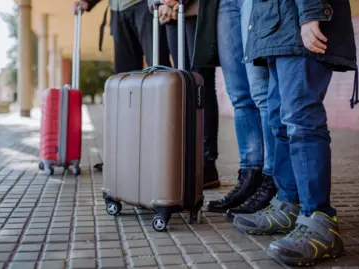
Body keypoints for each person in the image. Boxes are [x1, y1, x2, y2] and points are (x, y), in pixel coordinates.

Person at [231, 0, 358, 266]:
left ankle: (320, 221)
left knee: (301, 122)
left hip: (296, 21)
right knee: (280, 122)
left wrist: (311, 12)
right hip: (277, 29)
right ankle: (288, 205)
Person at [165, 0, 277, 214]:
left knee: (260, 92)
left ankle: (271, 178)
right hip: (222, 3)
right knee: (239, 95)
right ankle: (249, 174)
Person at [72, 0, 172, 172]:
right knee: (123, 86)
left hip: (146, 6)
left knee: (159, 76)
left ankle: (165, 154)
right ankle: (123, 156)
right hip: (119, 11)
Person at [147, 0, 221, 190]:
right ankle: (187, 160)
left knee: (200, 83)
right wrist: (158, 2)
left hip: (196, 10)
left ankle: (206, 162)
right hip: (170, 13)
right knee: (184, 85)